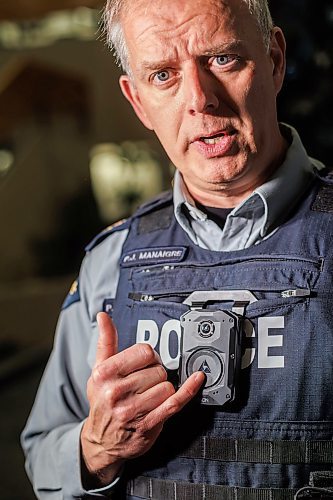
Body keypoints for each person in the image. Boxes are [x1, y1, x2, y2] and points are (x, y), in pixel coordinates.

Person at [21, 0, 333, 498]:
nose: (200, 100)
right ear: (138, 102)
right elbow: (42, 457)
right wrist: (96, 448)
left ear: (274, 60)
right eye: (163, 74)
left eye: (223, 59)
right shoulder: (110, 262)